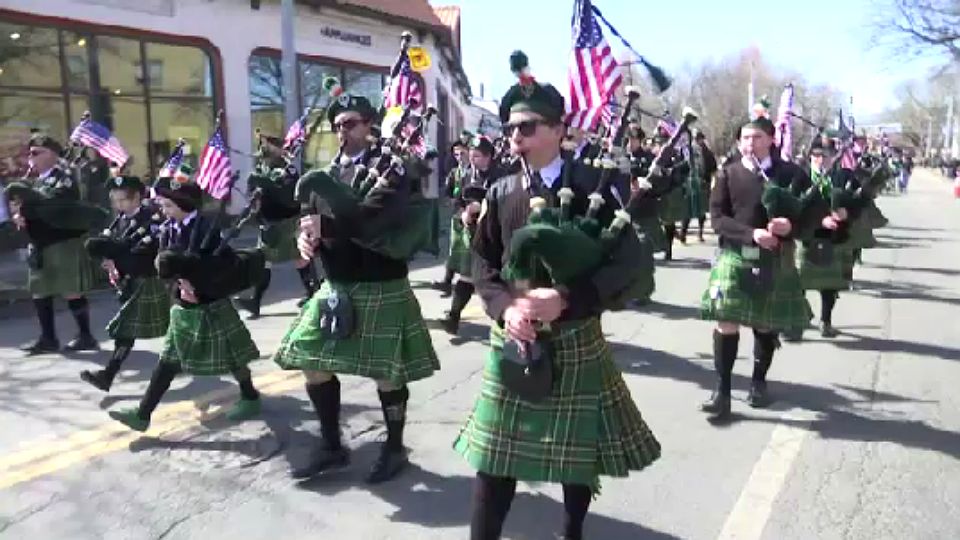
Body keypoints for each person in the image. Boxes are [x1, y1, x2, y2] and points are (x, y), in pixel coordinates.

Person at [454, 52, 660, 540]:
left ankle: (572, 533)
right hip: (515, 337)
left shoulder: (594, 184)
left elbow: (629, 265)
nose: (515, 138)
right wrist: (505, 308)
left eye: (526, 128)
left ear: (558, 129)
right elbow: (481, 263)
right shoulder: (501, 191)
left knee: (574, 457)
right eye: (510, 130)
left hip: (572, 333)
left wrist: (568, 298)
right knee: (494, 456)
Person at [272, 94, 439, 484]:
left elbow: (371, 222)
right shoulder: (328, 171)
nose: (341, 131)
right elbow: (309, 219)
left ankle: (394, 446)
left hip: (381, 283)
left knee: (386, 372)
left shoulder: (392, 170)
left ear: (368, 125)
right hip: (337, 285)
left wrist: (327, 228)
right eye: (337, 125)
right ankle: (332, 445)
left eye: (349, 123)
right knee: (312, 362)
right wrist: (304, 241)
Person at [107, 179, 262, 431]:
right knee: (168, 358)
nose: (164, 210)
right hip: (182, 301)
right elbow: (163, 260)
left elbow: (225, 264)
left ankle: (250, 396)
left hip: (209, 301)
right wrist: (179, 281)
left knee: (232, 355)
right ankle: (142, 414)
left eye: (168, 205)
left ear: (184, 204)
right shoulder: (168, 228)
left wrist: (198, 281)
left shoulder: (207, 228)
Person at [699, 114, 813, 421]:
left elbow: (813, 215)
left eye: (758, 137)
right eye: (746, 138)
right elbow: (718, 219)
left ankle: (759, 382)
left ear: (772, 140)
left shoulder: (792, 174)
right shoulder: (728, 173)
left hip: (774, 257)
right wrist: (752, 234)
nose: (751, 143)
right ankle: (722, 393)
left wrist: (791, 226)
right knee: (726, 320)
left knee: (764, 323)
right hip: (735, 253)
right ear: (739, 142)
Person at [5, 134, 106, 355]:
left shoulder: (65, 177)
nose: (31, 158)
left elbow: (55, 202)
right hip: (39, 242)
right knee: (40, 291)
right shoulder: (36, 180)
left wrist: (27, 201)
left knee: (70, 290)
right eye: (29, 153)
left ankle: (86, 336)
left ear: (51, 154)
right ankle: (48, 339)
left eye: (36, 153)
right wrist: (19, 217)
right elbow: (27, 205)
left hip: (62, 241)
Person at [80, 176, 170, 391]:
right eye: (114, 200)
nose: (118, 205)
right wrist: (108, 259)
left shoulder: (152, 219)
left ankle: (108, 374)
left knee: (126, 328)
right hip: (127, 280)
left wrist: (116, 257)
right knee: (166, 324)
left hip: (146, 279)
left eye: (122, 200)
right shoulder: (120, 219)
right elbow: (110, 245)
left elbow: (141, 252)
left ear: (137, 197)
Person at [235, 134, 315, 319]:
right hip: (268, 222)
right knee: (264, 262)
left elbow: (288, 197)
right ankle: (254, 301)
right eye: (264, 151)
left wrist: (267, 183)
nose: (265, 154)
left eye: (269, 149)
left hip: (288, 221)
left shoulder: (289, 170)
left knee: (301, 258)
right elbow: (255, 197)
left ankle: (314, 293)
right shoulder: (261, 170)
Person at [433, 138, 472, 296]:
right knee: (455, 250)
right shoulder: (455, 172)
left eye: (462, 153)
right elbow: (449, 192)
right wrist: (453, 203)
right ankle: (447, 282)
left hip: (472, 217)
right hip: (458, 216)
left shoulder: (474, 171)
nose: (459, 157)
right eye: (456, 154)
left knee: (469, 252)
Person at [680, 129, 717, 243]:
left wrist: (711, 182)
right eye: (696, 139)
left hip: (703, 184)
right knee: (687, 210)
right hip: (689, 184)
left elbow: (713, 168)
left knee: (701, 211)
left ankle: (700, 233)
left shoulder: (707, 152)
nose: (697, 141)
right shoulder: (685, 150)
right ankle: (683, 233)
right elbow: (680, 166)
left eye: (699, 139)